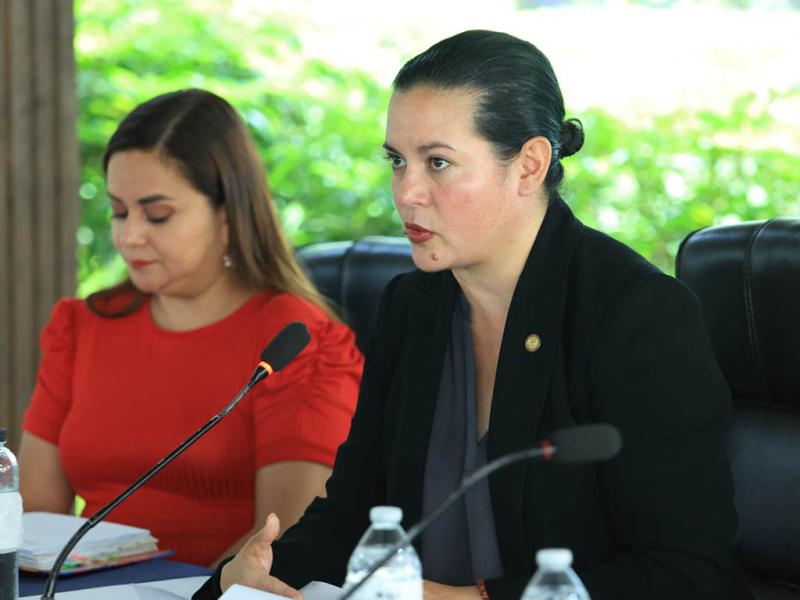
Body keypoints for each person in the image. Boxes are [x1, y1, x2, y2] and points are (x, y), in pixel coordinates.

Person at [194, 30, 746, 599]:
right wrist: (243, 579)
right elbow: (353, 517)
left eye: (438, 162)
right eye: (397, 161)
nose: (406, 192)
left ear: (529, 166)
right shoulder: (413, 306)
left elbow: (685, 575)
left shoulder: (638, 315)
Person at [19, 89, 364, 567]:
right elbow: (34, 523)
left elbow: (283, 537)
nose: (128, 235)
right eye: (119, 211)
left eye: (157, 215)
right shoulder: (80, 326)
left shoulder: (296, 340)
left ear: (228, 213)